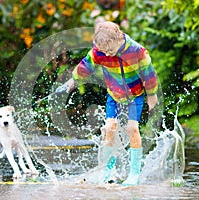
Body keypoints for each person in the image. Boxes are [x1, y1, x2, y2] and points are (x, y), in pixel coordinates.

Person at [58, 21, 158, 186]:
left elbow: (149, 73)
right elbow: (86, 65)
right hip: (114, 95)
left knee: (132, 129)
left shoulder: (137, 51)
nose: (108, 54)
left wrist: (152, 94)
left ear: (119, 38)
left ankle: (134, 174)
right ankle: (107, 170)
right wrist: (74, 80)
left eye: (110, 50)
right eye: (104, 51)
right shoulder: (99, 51)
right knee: (109, 129)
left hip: (135, 95)